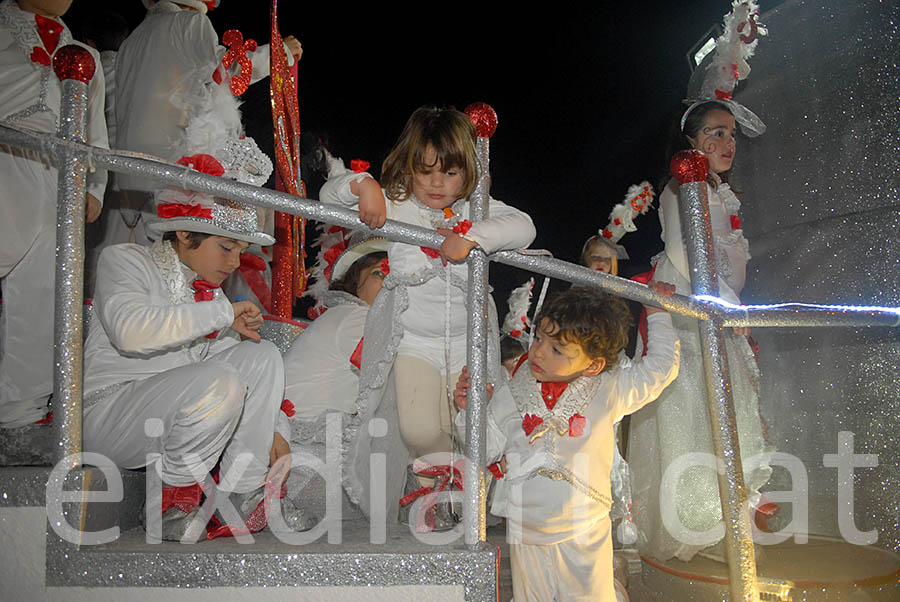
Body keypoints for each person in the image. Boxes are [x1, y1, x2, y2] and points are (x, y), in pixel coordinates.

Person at [319, 106, 536, 530]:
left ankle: (453, 492)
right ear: (408, 166)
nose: (439, 184)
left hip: (468, 343)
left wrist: (473, 237)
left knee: (468, 422)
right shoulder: (395, 203)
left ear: (468, 173)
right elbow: (329, 196)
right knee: (418, 431)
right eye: (427, 171)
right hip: (413, 342)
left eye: (451, 173)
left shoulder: (477, 207)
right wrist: (363, 186)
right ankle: (455, 480)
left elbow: (525, 226)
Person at [454, 285, 680, 601]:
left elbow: (660, 369)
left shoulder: (609, 389)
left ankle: (612, 588)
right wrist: (470, 411)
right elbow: (483, 449)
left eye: (557, 350)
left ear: (593, 365)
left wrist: (657, 311)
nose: (538, 352)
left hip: (585, 527)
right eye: (538, 338)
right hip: (526, 531)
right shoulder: (510, 394)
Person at [627, 100, 773, 562]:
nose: (726, 143)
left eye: (731, 135)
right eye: (715, 133)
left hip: (717, 307)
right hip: (693, 312)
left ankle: (729, 523)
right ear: (691, 141)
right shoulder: (681, 186)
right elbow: (684, 252)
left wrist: (731, 305)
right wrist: (725, 308)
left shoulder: (718, 190)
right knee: (694, 413)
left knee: (726, 410)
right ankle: (699, 528)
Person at [112, 0, 301, 246]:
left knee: (145, 269)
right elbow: (226, 72)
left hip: (128, 179)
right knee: (178, 267)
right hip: (174, 169)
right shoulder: (190, 23)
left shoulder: (132, 40)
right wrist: (279, 53)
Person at [0, 0, 108, 427]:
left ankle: (19, 412)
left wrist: (94, 188)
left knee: (43, 290)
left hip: (59, 175)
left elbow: (95, 131)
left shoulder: (86, 54)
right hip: (7, 158)